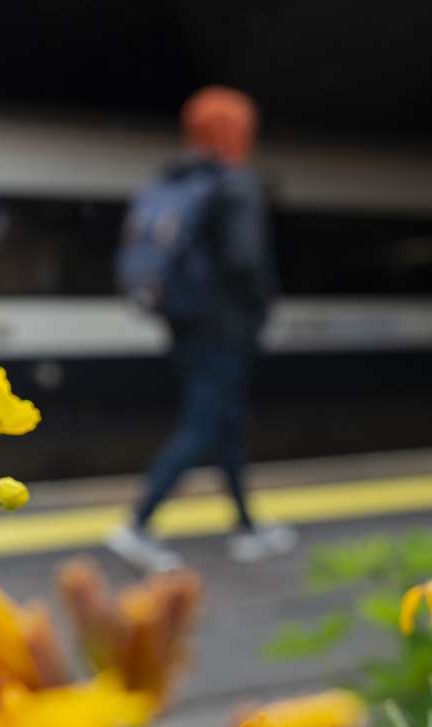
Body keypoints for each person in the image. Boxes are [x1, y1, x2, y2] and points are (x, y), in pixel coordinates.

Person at [106, 85, 295, 572]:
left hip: (185, 323)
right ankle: (136, 525)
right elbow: (245, 260)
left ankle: (247, 527)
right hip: (225, 327)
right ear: (237, 133)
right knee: (202, 424)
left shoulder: (174, 180)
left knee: (226, 424)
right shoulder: (235, 184)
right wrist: (260, 312)